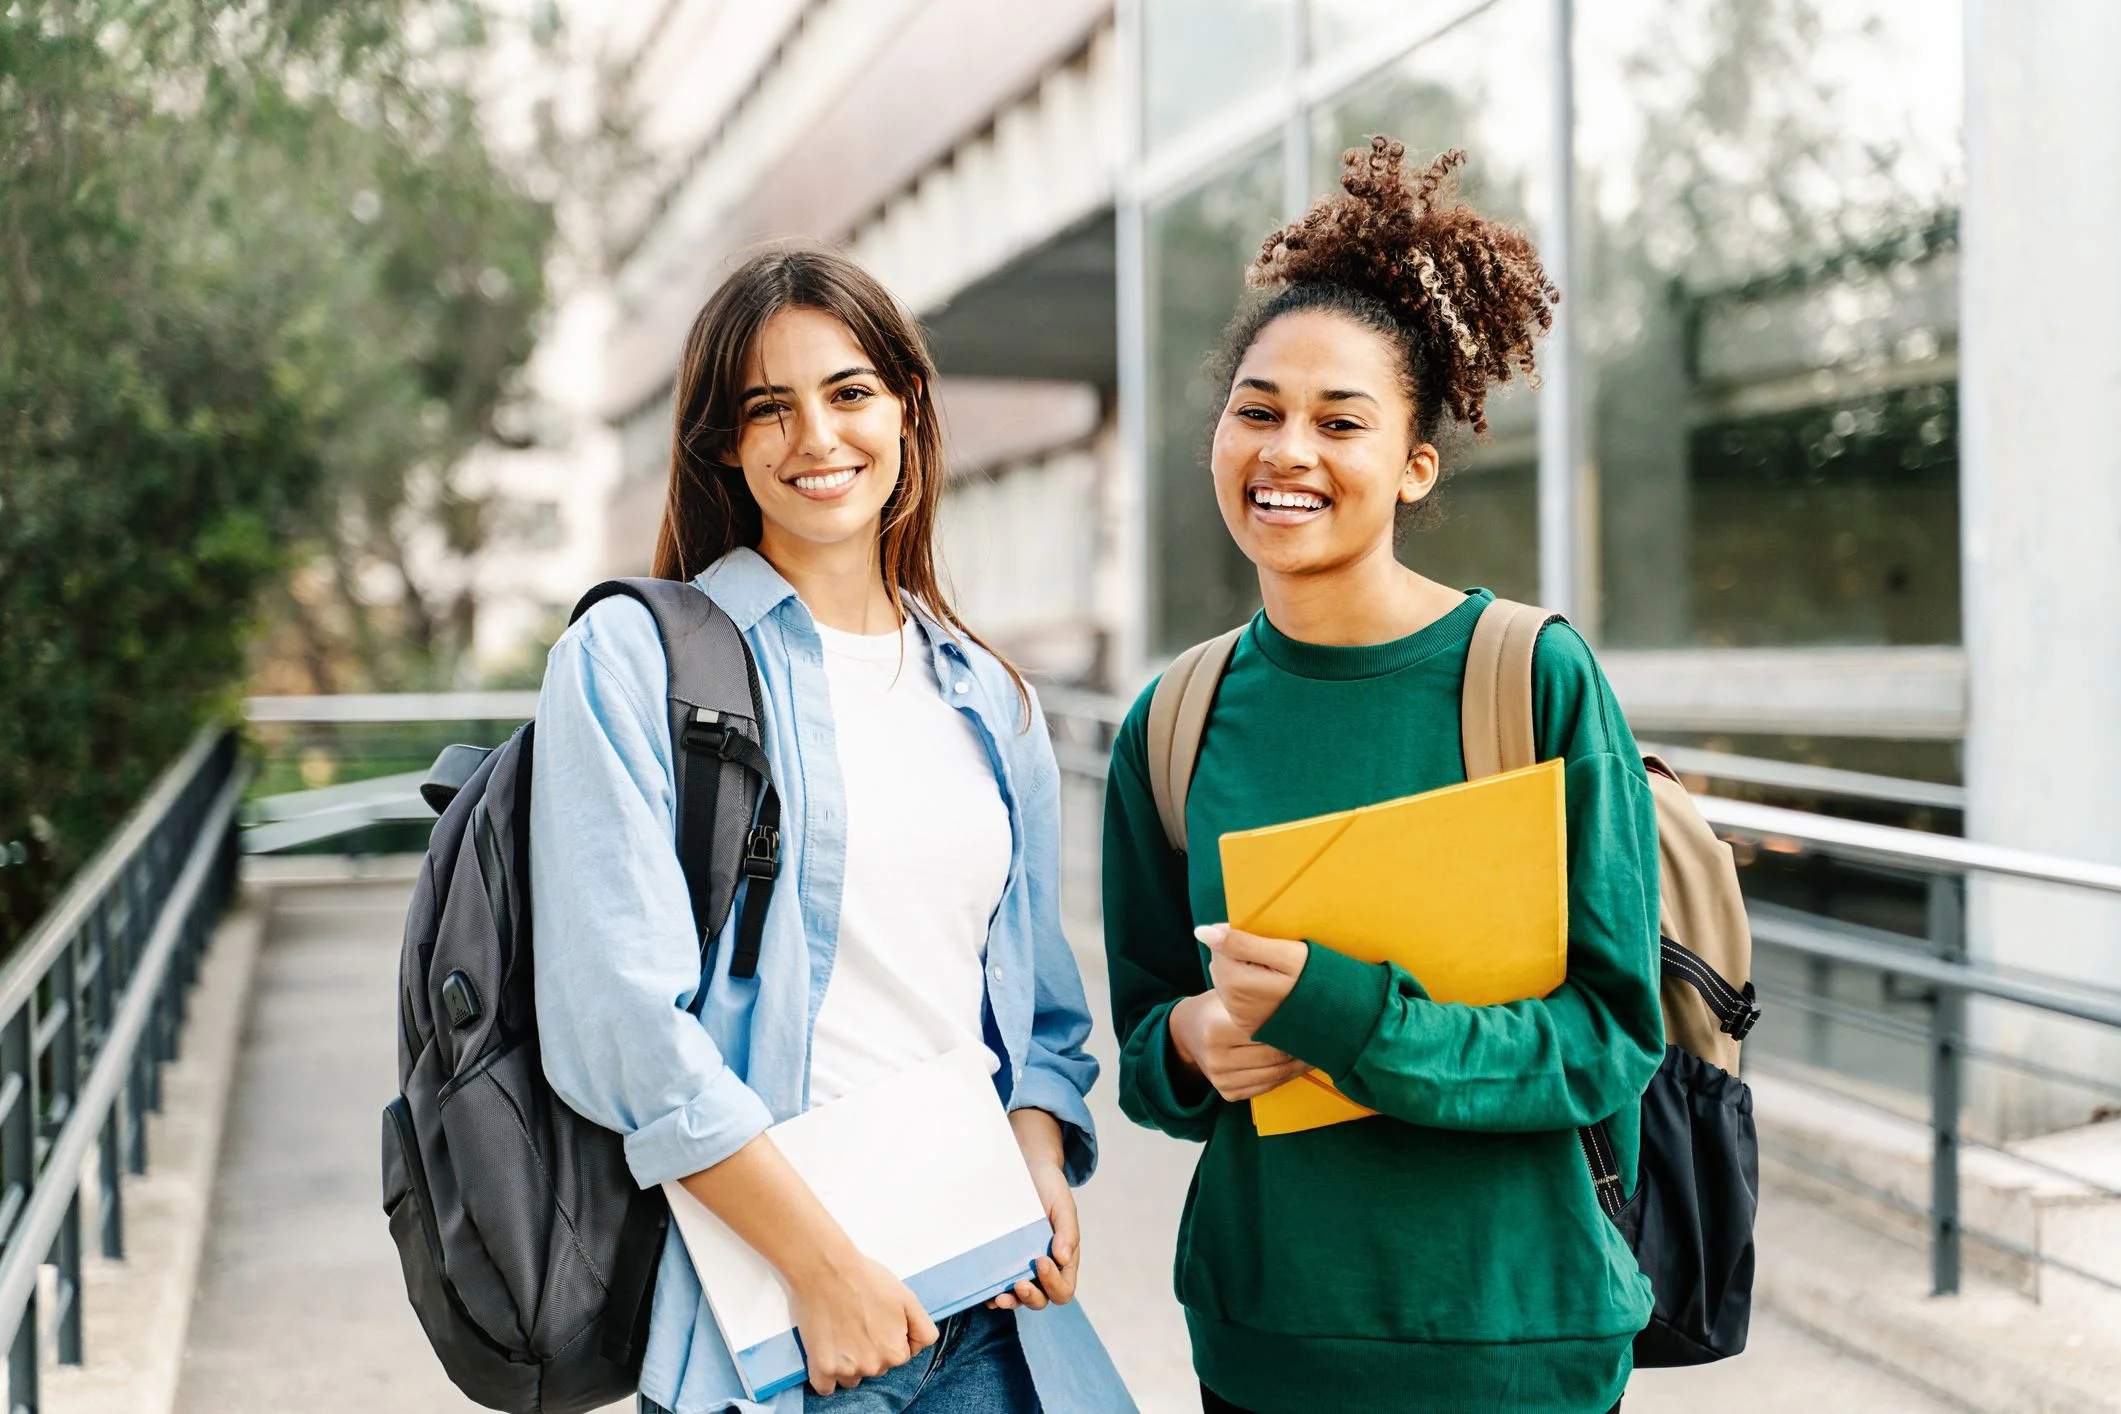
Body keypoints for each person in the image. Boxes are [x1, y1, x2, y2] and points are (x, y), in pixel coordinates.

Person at [1102, 139, 1663, 1414]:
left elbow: (1611, 1037)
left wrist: (1352, 1020)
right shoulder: (1174, 719)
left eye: (1340, 420)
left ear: (1414, 464)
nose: (1287, 449)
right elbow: (1144, 1039)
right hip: (1266, 1347)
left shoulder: (1532, 679)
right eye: (1257, 409)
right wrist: (1190, 1041)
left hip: (1515, 1344)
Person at [531, 244, 1122, 1414]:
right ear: (724, 446)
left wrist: (1042, 1155)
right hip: (785, 1329)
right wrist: (822, 1266)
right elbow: (622, 1026)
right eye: (769, 409)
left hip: (997, 1310)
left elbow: (1037, 1004)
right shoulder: (634, 660)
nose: (817, 437)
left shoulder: (988, 695)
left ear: (905, 408)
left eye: (850, 392)